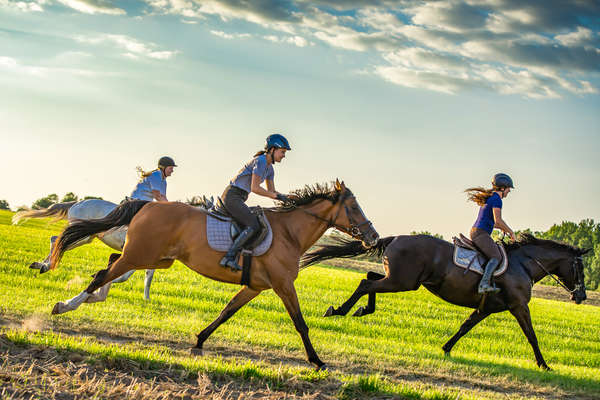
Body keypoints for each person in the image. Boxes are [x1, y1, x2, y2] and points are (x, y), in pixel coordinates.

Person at [219, 134, 291, 271]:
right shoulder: (262, 161)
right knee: (254, 225)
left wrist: (285, 197)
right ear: (272, 149)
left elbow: (272, 191)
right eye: (282, 152)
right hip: (232, 196)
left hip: (239, 197)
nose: (284, 155)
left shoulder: (270, 169)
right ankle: (228, 257)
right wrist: (277, 196)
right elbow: (255, 188)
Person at [465, 173, 516, 294]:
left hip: (478, 232)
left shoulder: (491, 197)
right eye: (509, 188)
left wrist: (502, 228)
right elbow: (498, 221)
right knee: (496, 256)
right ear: (503, 188)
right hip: (481, 233)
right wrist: (511, 232)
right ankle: (483, 285)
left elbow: (491, 221)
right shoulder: (497, 199)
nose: (509, 191)